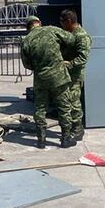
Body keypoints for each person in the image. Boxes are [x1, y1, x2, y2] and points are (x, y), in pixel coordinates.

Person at [20, 15, 78, 149]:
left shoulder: (26, 40)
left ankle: (41, 140)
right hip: (59, 78)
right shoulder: (51, 30)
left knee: (40, 109)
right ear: (39, 22)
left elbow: (27, 64)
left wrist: (40, 66)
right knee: (64, 107)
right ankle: (65, 138)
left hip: (40, 79)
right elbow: (71, 39)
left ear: (28, 27)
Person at [60, 9, 92, 142]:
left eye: (62, 22)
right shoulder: (71, 33)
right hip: (69, 75)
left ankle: (78, 129)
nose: (61, 25)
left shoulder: (81, 36)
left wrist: (68, 64)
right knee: (69, 101)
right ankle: (73, 126)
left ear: (68, 21)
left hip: (75, 76)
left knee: (74, 102)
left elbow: (83, 58)